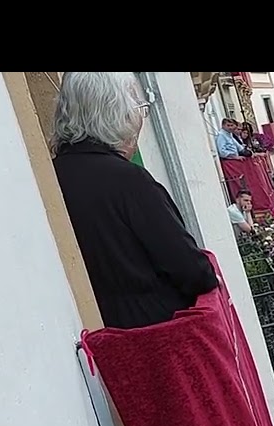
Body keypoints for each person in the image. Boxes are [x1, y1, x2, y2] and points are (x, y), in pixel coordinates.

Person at [52, 72, 218, 329]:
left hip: (92, 335)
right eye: (138, 107)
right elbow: (193, 272)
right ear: (118, 115)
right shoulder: (129, 181)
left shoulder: (50, 177)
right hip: (155, 336)